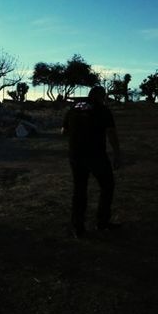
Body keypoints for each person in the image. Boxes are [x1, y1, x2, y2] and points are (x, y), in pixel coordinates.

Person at [61, 85, 123, 238]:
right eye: (104, 96)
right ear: (100, 96)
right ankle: (102, 221)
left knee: (79, 190)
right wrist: (117, 153)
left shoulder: (74, 108)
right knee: (107, 185)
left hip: (75, 155)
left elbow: (63, 131)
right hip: (96, 155)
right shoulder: (103, 110)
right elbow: (111, 133)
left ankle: (78, 227)